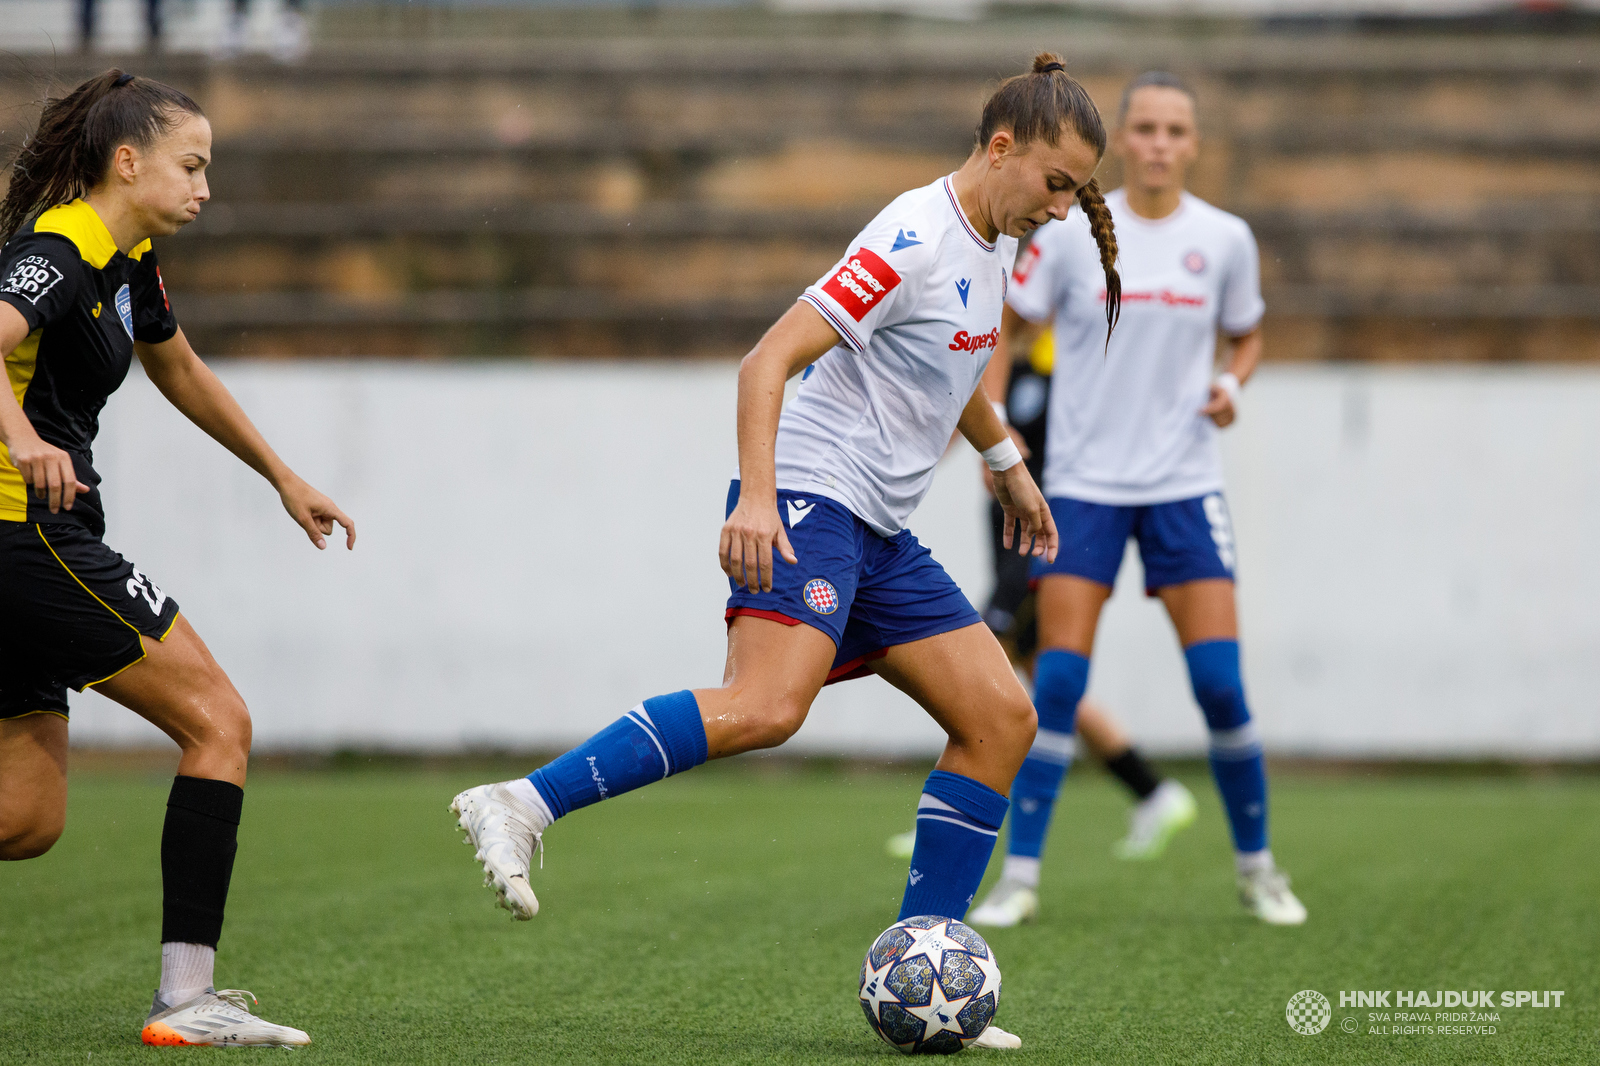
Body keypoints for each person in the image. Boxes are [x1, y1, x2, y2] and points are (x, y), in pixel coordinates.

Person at [450, 53, 1123, 1051]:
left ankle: (925, 970)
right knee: (766, 707)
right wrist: (758, 497)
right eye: (1056, 184)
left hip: (878, 526)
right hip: (811, 497)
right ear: (1000, 148)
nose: (1063, 211)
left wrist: (1002, 455)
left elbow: (956, 356)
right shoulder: (911, 234)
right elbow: (768, 357)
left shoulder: (994, 239)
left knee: (999, 717)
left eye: (1075, 192)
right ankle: (517, 802)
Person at [0, 70, 355, 1046]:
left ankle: (185, 1000)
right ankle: (184, 999)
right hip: (24, 533)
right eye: (190, 165)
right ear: (127, 161)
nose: (204, 186)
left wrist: (280, 474)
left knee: (25, 817)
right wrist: (27, 444)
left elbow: (179, 367)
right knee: (219, 719)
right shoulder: (65, 244)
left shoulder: (130, 252)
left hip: (30, 540)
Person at [968, 71, 1307, 929]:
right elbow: (1006, 326)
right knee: (1058, 683)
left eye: (1174, 130)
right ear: (1124, 139)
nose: (1159, 143)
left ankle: (1259, 868)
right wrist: (997, 420)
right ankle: (1022, 877)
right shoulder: (1069, 233)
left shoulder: (1225, 239)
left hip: (1185, 487)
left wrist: (1233, 382)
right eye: (1145, 129)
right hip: (1080, 488)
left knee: (1220, 686)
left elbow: (1248, 332)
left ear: (1194, 144)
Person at [887, 327, 1196, 867]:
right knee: (1042, 678)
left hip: (1044, 531)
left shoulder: (1075, 356)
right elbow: (971, 414)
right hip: (1010, 530)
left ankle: (946, 811)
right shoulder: (1009, 361)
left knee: (978, 656)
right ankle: (1153, 792)